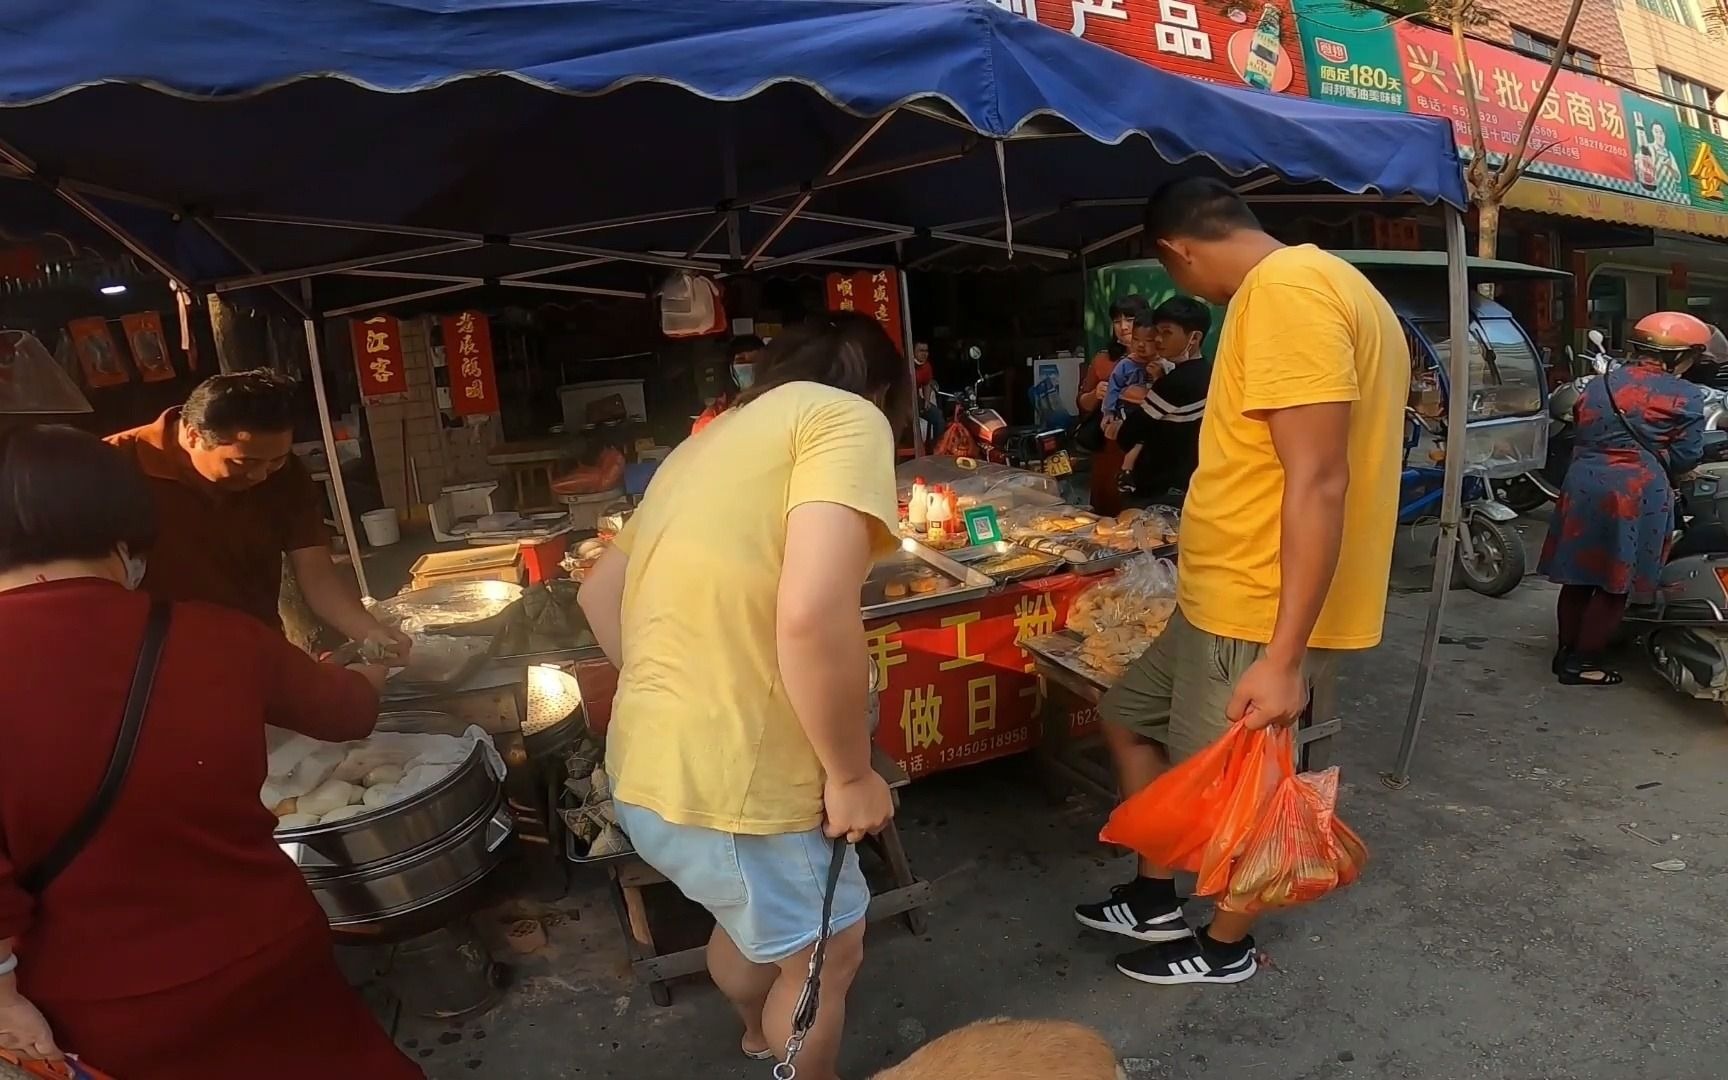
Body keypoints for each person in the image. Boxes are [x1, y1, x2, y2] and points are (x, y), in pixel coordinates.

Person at [0, 425, 420, 1078]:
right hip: (272, 952)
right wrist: (370, 659)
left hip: (110, 1007)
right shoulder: (218, 636)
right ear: (125, 530)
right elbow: (349, 710)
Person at [1073, 178, 1408, 986]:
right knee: (1127, 716)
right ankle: (1158, 895)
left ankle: (1226, 945)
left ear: (1178, 252)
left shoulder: (1290, 291)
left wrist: (1285, 658)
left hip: (1257, 604)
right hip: (1220, 593)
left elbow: (1320, 477)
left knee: (1241, 791)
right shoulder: (1317, 285)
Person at [578, 311, 911, 1080]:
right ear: (882, 388)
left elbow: (599, 597)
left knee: (759, 925)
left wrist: (681, 699)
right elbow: (811, 613)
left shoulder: (706, 441)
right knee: (830, 950)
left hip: (645, 769)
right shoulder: (845, 418)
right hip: (743, 780)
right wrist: (852, 775)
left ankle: (758, 1037)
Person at [105, 370, 408, 658]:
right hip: (160, 659)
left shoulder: (285, 474)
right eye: (243, 463)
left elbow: (316, 572)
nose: (261, 475)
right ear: (194, 435)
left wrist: (370, 632)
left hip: (259, 646)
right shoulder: (113, 466)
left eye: (275, 460)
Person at [1539, 311, 1709, 686]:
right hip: (1635, 492)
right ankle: (1583, 664)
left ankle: (1565, 652)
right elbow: (1687, 456)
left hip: (1583, 482)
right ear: (1683, 355)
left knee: (1579, 575)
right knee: (1615, 580)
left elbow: (1580, 422)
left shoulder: (1601, 383)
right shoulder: (1685, 394)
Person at [1111, 296, 1212, 501]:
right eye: (1157, 331)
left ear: (1194, 338)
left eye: (1166, 333)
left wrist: (1118, 428)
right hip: (1191, 484)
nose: (1157, 339)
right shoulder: (1209, 372)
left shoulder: (1174, 383)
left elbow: (1128, 434)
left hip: (1160, 489)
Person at [1079, 295, 1149, 515]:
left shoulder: (1157, 359)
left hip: (1145, 448)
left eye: (1129, 319)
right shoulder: (1103, 360)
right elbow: (1080, 402)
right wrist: (1095, 394)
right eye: (1117, 321)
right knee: (1106, 510)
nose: (1123, 326)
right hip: (1109, 446)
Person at [693, 335, 766, 435]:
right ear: (731, 369)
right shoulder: (712, 419)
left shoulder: (781, 403)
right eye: (741, 361)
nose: (749, 366)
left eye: (756, 361)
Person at [913, 341, 944, 441]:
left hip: (917, 401)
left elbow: (927, 384)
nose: (924, 353)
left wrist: (926, 401)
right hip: (903, 402)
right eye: (921, 350)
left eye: (926, 351)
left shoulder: (927, 366)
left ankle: (937, 448)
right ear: (913, 351)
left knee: (938, 417)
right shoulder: (906, 364)